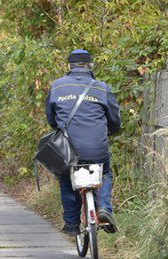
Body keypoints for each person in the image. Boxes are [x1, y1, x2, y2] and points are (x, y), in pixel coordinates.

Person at [45, 49, 121, 236]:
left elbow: (51, 118)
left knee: (66, 177)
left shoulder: (57, 86)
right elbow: (114, 120)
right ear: (90, 66)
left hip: (68, 149)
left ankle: (71, 223)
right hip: (97, 148)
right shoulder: (101, 88)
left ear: (69, 66)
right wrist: (110, 130)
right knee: (104, 173)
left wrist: (60, 126)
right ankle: (104, 208)